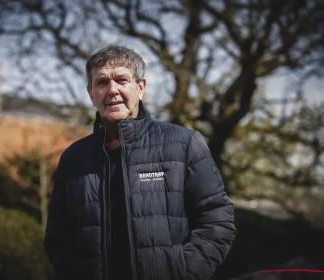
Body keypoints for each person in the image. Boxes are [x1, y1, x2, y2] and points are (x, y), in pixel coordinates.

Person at [44, 45, 236, 280]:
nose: (112, 90)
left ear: (141, 88)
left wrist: (184, 274)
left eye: (122, 80)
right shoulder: (73, 158)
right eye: (102, 82)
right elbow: (57, 235)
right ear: (91, 94)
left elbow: (217, 218)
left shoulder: (184, 144)